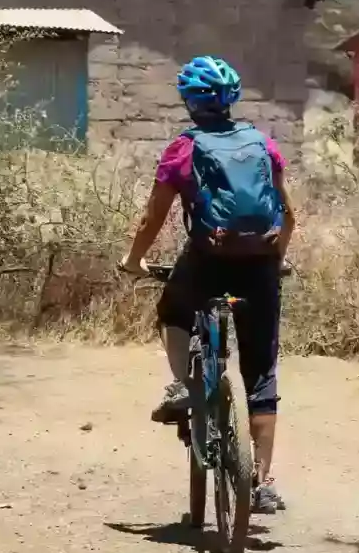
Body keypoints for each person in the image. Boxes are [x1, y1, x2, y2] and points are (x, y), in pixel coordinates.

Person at [118, 55, 297, 514]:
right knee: (261, 374)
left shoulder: (184, 148)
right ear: (232, 99)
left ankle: (181, 385)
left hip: (209, 260)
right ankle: (264, 482)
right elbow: (288, 214)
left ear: (189, 102)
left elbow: (153, 215)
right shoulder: (262, 144)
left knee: (174, 311)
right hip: (258, 265)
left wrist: (134, 259)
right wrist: (273, 260)